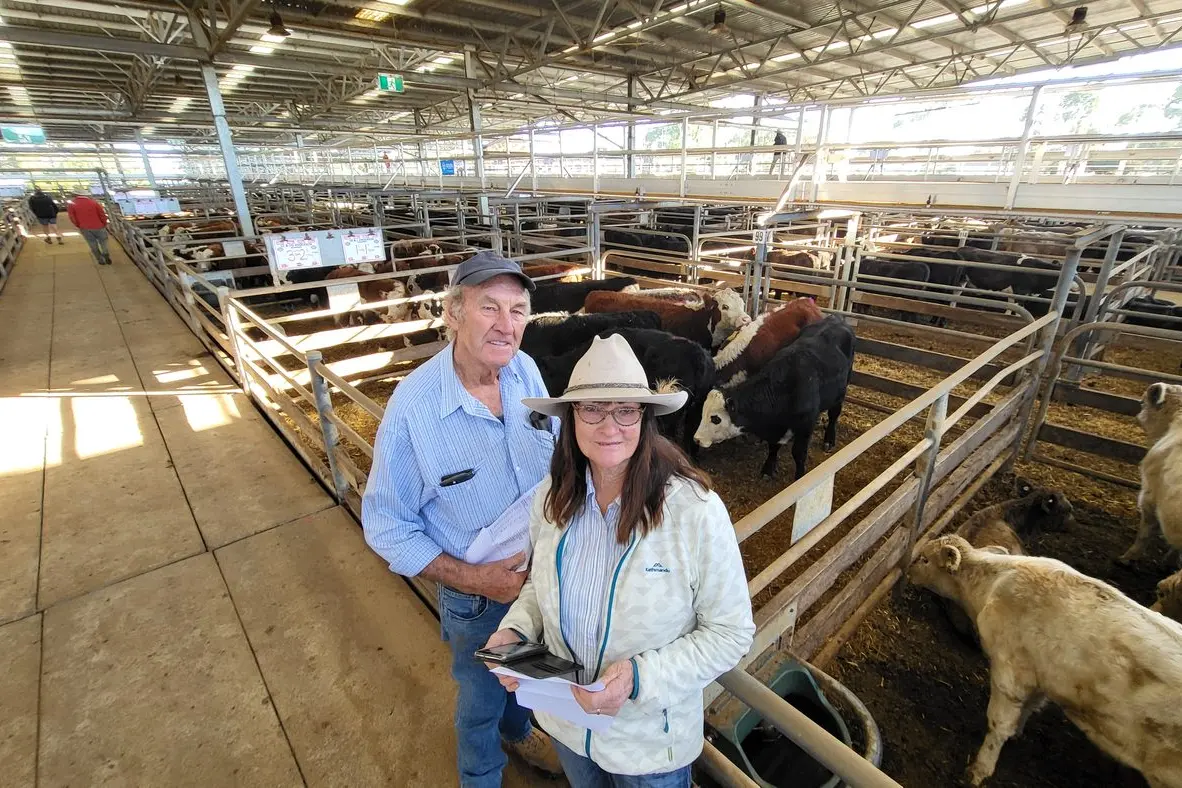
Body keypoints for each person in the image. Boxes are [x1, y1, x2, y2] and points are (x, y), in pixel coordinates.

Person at [486, 334, 755, 787]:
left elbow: (730, 632)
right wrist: (517, 629)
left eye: (625, 409)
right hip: (569, 727)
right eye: (592, 408)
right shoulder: (551, 500)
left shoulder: (694, 511)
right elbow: (538, 585)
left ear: (644, 418)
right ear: (571, 418)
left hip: (648, 745)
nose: (609, 425)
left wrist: (637, 678)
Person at [362, 250, 563, 786]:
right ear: (453, 313)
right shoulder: (414, 407)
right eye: (488, 308)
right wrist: (478, 579)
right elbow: (386, 524)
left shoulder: (526, 371)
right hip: (477, 596)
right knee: (478, 700)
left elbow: (557, 446)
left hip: (539, 576)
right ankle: (481, 774)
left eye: (517, 310)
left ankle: (520, 731)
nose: (506, 325)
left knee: (528, 670)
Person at [67, 191, 112, 265]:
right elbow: (102, 214)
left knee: (92, 243)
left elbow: (72, 217)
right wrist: (104, 223)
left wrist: (78, 225)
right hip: (99, 226)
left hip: (85, 228)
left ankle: (100, 260)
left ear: (76, 195)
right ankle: (105, 252)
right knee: (103, 241)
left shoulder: (72, 204)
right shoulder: (94, 203)